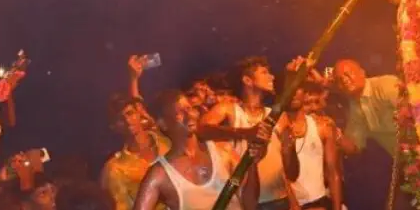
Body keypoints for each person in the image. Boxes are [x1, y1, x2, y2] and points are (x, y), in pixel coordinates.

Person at [131, 90, 263, 210]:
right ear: (163, 123)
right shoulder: (160, 175)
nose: (189, 114)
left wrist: (252, 165)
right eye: (179, 112)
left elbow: (250, 204)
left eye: (190, 108)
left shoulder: (223, 151)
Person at [197, 58, 299, 210]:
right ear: (247, 80)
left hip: (279, 201)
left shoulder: (277, 116)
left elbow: (292, 174)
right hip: (247, 204)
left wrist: (289, 147)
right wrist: (246, 133)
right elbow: (201, 130)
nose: (272, 77)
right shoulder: (228, 110)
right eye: (264, 72)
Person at [280, 61, 342, 210]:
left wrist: (337, 207)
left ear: (305, 93)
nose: (293, 94)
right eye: (288, 89)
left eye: (297, 89)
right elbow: (279, 174)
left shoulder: (323, 126)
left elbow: (333, 172)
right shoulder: (275, 128)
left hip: (318, 204)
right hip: (284, 205)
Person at [99, 96, 169, 210]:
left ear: (138, 113)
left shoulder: (167, 139)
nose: (127, 120)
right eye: (120, 119)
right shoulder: (116, 169)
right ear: (113, 127)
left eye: (130, 113)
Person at [329, 61, 399, 157]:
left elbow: (419, 109)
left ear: (362, 72)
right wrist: (335, 134)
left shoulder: (386, 85)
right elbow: (354, 147)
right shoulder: (355, 108)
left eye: (347, 74)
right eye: (339, 79)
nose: (344, 80)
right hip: (407, 163)